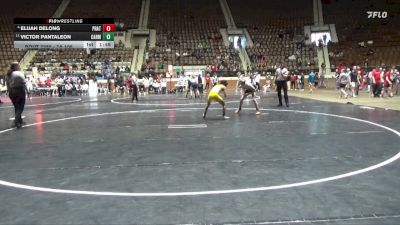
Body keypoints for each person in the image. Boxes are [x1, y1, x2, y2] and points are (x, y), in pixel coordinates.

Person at [5, 62, 29, 128]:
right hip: (19, 91)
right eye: (18, 65)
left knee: (16, 107)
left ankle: (19, 120)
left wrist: (9, 92)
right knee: (20, 107)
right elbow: (24, 83)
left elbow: (7, 85)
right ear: (16, 67)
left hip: (11, 92)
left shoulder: (8, 74)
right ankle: (16, 121)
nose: (19, 66)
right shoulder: (19, 73)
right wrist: (28, 92)